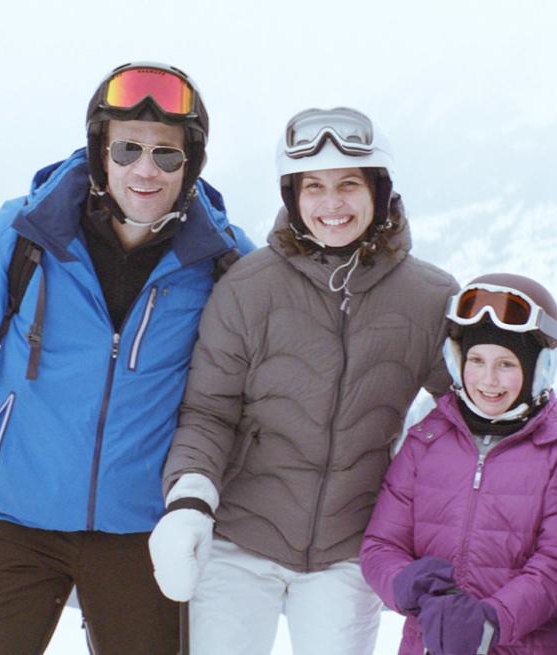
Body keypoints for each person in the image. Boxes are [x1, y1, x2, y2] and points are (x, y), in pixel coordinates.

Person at [0, 61, 252, 654]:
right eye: (127, 148)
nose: (145, 170)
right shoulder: (27, 232)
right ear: (101, 151)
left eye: (167, 155)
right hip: (18, 516)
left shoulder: (224, 264)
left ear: (192, 163)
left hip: (143, 529)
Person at [150, 106, 459, 655]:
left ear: (380, 190)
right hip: (240, 539)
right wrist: (190, 500)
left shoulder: (429, 298)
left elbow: (462, 418)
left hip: (348, 550)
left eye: (348, 184)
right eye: (313, 187)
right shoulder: (250, 288)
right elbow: (209, 412)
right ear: (293, 197)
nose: (331, 204)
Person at [360, 273, 557, 655]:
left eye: (507, 365)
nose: (488, 380)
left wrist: (488, 621)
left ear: (538, 370)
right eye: (476, 360)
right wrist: (411, 586)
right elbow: (381, 545)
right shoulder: (425, 442)